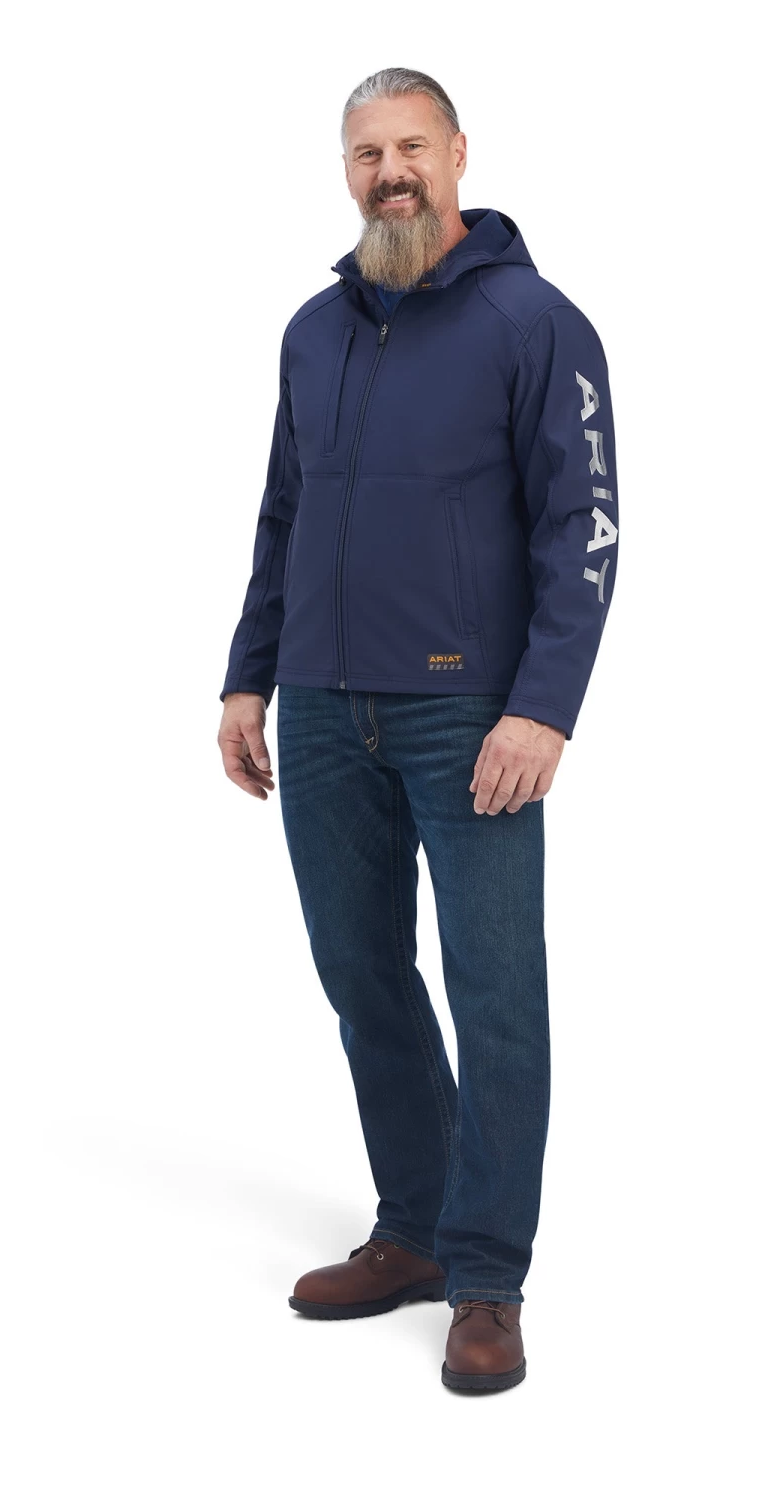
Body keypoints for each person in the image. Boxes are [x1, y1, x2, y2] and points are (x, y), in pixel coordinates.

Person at [216, 66, 620, 1393]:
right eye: (365, 153)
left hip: (470, 715)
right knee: (364, 977)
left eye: (411, 147)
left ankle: (488, 1275)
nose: (389, 172)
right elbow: (285, 513)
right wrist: (249, 678)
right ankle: (415, 1229)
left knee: (497, 996)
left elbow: (585, 528)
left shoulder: (535, 323)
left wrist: (542, 708)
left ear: (457, 154)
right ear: (347, 171)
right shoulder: (312, 333)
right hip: (326, 710)